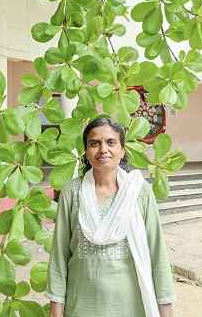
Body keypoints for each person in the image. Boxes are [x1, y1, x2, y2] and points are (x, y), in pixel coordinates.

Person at [46, 116, 176, 317]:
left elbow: (157, 251)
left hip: (132, 306)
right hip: (81, 306)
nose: (103, 149)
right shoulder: (72, 192)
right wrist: (56, 311)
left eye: (111, 142)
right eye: (94, 143)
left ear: (122, 150)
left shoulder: (139, 191)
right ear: (86, 151)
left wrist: (166, 311)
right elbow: (59, 256)